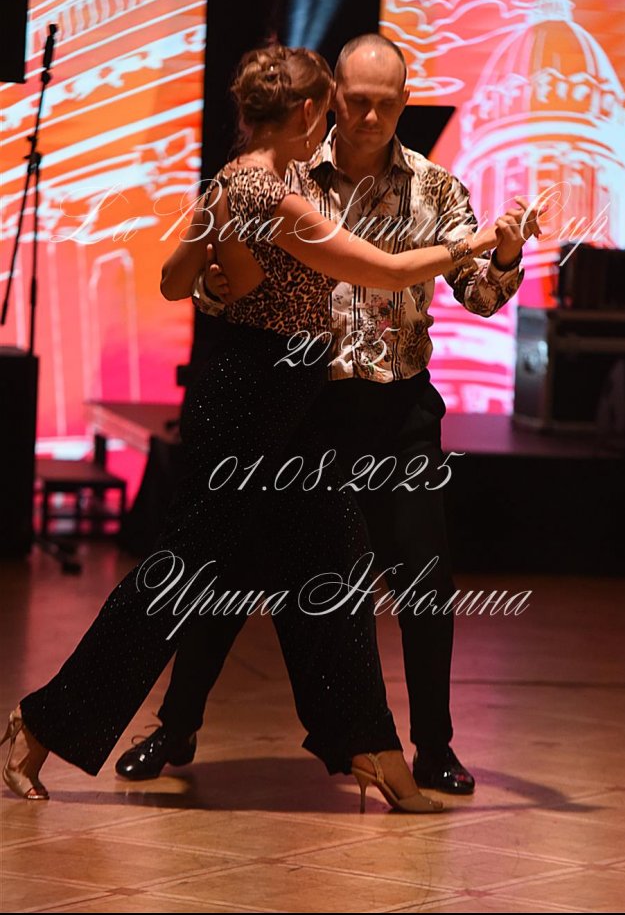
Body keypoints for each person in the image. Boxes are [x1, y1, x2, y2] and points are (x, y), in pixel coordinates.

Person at [1, 43, 511, 813]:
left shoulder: (233, 181)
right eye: (331, 109)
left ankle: (373, 747)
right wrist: (469, 242)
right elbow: (384, 270)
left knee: (332, 565)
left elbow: (179, 279)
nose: (337, 124)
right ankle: (40, 724)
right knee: (178, 580)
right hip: (256, 410)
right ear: (308, 111)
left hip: (279, 400)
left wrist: (227, 274)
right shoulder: (274, 195)